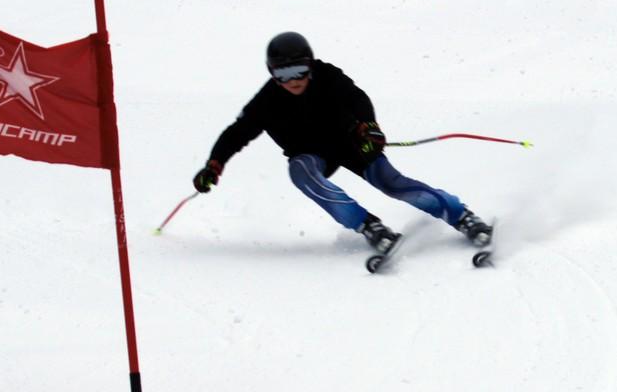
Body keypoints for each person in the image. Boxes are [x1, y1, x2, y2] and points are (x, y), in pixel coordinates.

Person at [192, 32, 492, 254]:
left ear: (310, 65)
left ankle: (461, 216)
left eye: (299, 70)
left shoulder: (327, 76)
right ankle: (368, 225)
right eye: (283, 74)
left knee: (390, 182)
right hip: (311, 154)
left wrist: (369, 127)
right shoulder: (267, 101)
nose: (293, 80)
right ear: (272, 73)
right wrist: (214, 164)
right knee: (301, 172)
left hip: (350, 143)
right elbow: (237, 132)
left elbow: (358, 98)